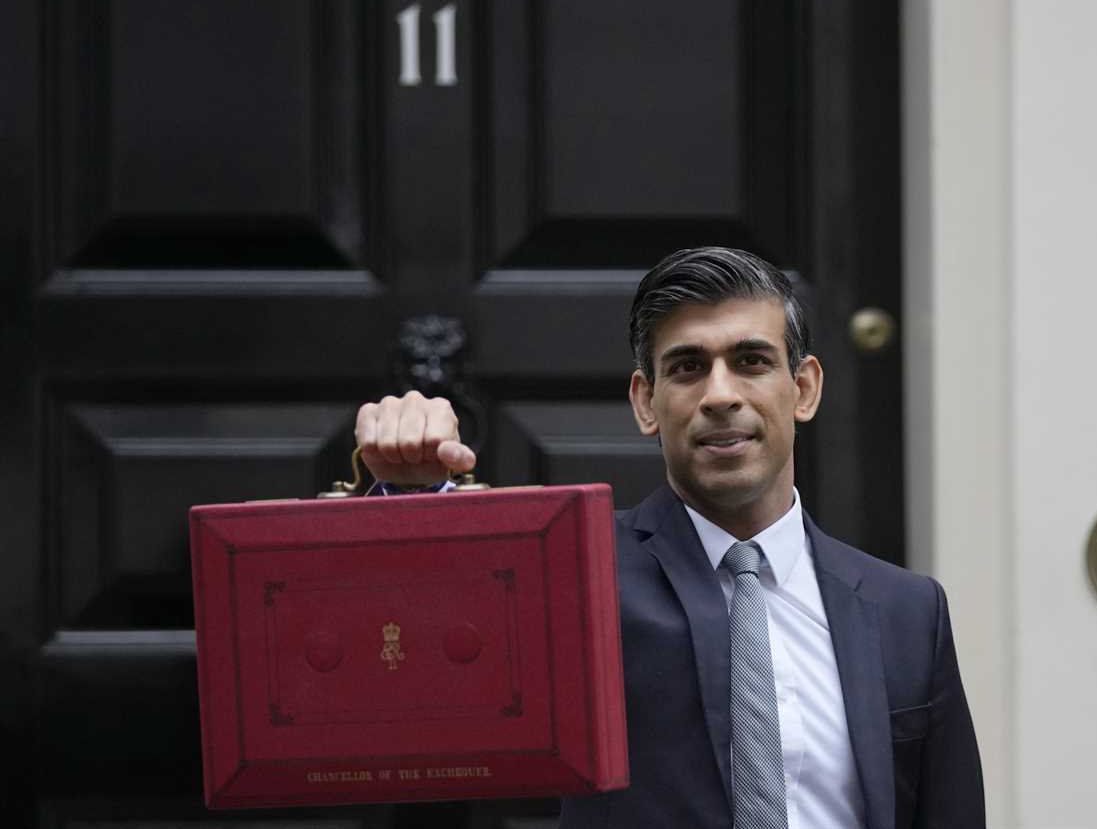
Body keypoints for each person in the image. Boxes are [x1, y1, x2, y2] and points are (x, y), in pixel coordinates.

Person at [355, 247, 984, 828]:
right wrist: (413, 502)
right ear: (646, 402)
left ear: (805, 388)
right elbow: (422, 668)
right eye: (687, 367)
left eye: (751, 361)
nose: (719, 395)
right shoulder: (575, 576)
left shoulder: (908, 610)